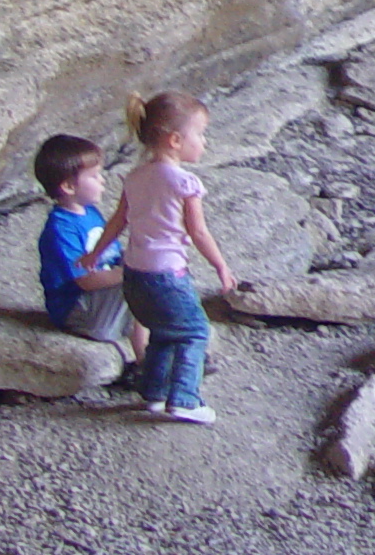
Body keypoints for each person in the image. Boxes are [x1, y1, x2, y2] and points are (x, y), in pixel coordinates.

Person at [80, 90, 233, 425]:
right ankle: (184, 399)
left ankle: (154, 392)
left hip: (134, 274)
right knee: (194, 332)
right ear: (176, 140)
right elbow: (198, 232)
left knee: (163, 332)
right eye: (200, 134)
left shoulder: (135, 177)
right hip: (166, 273)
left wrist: (95, 253)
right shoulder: (184, 182)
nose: (204, 142)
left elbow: (118, 220)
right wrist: (220, 265)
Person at [32, 134, 146, 373]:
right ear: (68, 186)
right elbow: (85, 280)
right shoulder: (61, 228)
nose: (102, 181)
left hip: (100, 297)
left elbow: (109, 254)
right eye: (94, 176)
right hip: (79, 310)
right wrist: (132, 270)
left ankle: (164, 350)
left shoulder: (90, 212)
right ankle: (146, 364)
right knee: (143, 281)